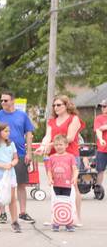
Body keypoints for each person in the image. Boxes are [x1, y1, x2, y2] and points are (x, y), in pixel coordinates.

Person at [0, 91, 36, 224]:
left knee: (20, 184)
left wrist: (29, 152)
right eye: (1, 100)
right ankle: (2, 212)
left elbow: (28, 133)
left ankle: (22, 212)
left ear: (13, 101)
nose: (3, 102)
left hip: (19, 153)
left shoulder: (22, 115)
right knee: (2, 184)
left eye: (6, 100)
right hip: (1, 155)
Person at [37, 95, 85, 225]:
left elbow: (69, 138)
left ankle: (76, 218)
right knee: (55, 186)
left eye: (59, 105)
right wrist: (43, 146)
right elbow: (47, 136)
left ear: (66, 105)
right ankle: (57, 217)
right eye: (54, 105)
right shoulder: (51, 121)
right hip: (54, 157)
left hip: (70, 155)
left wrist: (51, 144)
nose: (55, 107)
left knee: (72, 186)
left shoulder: (74, 119)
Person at [45, 134, 78, 232]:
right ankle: (56, 222)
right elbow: (49, 170)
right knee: (56, 203)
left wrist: (74, 178)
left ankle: (69, 223)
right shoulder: (51, 157)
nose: (58, 147)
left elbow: (75, 169)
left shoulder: (70, 157)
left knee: (67, 203)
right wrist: (50, 179)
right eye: (56, 145)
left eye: (61, 144)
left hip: (67, 184)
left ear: (66, 145)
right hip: (56, 185)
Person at [94, 99, 107, 192]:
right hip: (102, 149)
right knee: (100, 170)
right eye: (102, 106)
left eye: (104, 106)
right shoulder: (99, 118)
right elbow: (98, 130)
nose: (102, 108)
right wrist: (101, 139)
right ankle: (98, 189)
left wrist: (104, 127)